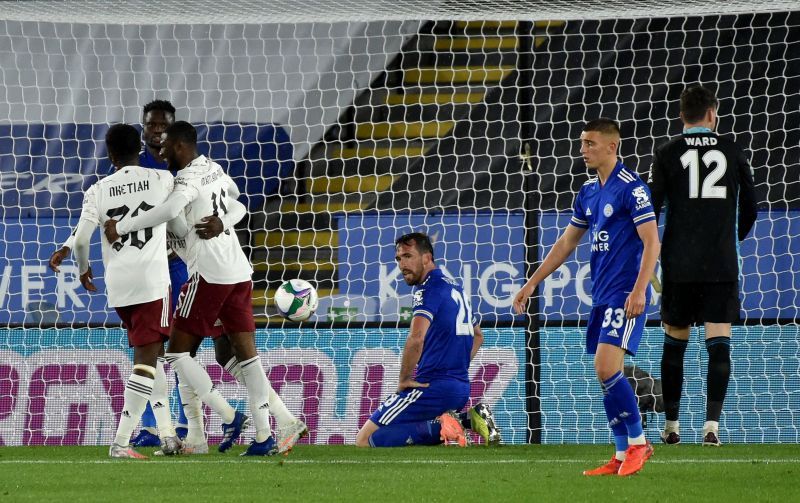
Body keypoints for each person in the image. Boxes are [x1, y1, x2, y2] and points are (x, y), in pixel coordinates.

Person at [105, 121, 306, 456]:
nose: (161, 150)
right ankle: (265, 433)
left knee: (178, 352)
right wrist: (220, 222)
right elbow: (238, 203)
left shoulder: (182, 180)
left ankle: (228, 417)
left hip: (209, 275)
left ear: (180, 146)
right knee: (242, 355)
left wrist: (123, 226)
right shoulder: (212, 168)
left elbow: (171, 211)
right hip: (238, 271)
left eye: (165, 145)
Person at [513, 119, 660, 477]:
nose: (583, 150)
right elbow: (567, 242)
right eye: (582, 143)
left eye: (590, 143)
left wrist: (640, 289)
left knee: (607, 368)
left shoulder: (632, 189)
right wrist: (532, 282)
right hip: (602, 296)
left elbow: (652, 241)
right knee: (604, 373)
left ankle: (639, 443)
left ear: (612, 146)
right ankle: (621, 453)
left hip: (626, 295)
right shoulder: (588, 192)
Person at [648, 85, 757, 447]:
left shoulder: (666, 152)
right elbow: (752, 207)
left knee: (675, 342)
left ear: (682, 116)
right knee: (719, 342)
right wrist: (730, 239)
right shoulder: (732, 150)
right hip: (720, 263)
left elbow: (652, 208)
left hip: (679, 263)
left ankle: (672, 426)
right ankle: (712, 426)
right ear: (712, 114)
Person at [70, 123, 182, 459]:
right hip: (151, 282)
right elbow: (175, 219)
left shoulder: (98, 189)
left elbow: (79, 240)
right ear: (140, 149)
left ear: (110, 154)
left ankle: (166, 433)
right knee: (147, 361)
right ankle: (120, 443)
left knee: (153, 356)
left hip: (118, 287)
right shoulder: (162, 179)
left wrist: (84, 269)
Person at [355, 232, 501, 448]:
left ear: (427, 258)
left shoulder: (428, 289)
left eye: (408, 256)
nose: (402, 264)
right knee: (395, 435)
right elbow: (478, 336)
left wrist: (404, 379)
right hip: (460, 388)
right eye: (398, 259)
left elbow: (416, 337)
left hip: (432, 387)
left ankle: (455, 426)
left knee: (364, 440)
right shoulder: (455, 287)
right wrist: (455, 367)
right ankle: (467, 419)